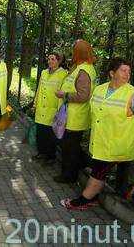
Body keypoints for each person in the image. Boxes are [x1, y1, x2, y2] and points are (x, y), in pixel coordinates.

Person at [61, 58, 134, 209]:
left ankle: (82, 200)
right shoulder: (99, 89)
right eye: (123, 70)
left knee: (98, 174)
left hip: (117, 144)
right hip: (99, 141)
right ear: (112, 73)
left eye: (129, 71)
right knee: (98, 170)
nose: (127, 74)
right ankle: (94, 197)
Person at [54, 39, 97, 183]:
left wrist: (63, 95)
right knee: (70, 147)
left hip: (75, 118)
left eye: (74, 50)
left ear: (79, 52)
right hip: (72, 116)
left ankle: (68, 176)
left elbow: (83, 96)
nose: (72, 52)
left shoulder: (84, 71)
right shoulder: (81, 67)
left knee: (70, 149)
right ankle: (79, 168)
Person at [31, 53, 68, 164]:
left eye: (53, 59)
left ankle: (50, 157)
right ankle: (41, 152)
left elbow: (62, 94)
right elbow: (39, 89)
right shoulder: (44, 72)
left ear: (59, 61)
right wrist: (35, 104)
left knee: (50, 135)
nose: (50, 61)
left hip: (52, 109)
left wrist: (59, 110)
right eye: (49, 59)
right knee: (40, 133)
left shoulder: (63, 74)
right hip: (41, 108)